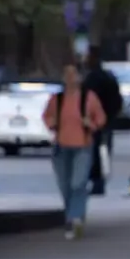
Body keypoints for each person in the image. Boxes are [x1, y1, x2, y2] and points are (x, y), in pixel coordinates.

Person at [43, 60, 108, 238]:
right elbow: (47, 116)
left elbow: (101, 118)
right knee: (65, 185)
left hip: (83, 145)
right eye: (67, 74)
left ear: (80, 77)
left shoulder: (89, 98)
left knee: (78, 183)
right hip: (62, 147)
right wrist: (52, 123)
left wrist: (91, 124)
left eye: (73, 74)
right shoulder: (57, 99)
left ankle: (74, 219)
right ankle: (74, 214)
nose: (70, 78)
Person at [82, 52, 126, 196]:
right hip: (107, 119)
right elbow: (117, 99)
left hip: (94, 120)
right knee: (103, 151)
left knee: (93, 151)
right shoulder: (108, 77)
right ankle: (99, 181)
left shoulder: (91, 79)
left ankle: (96, 181)